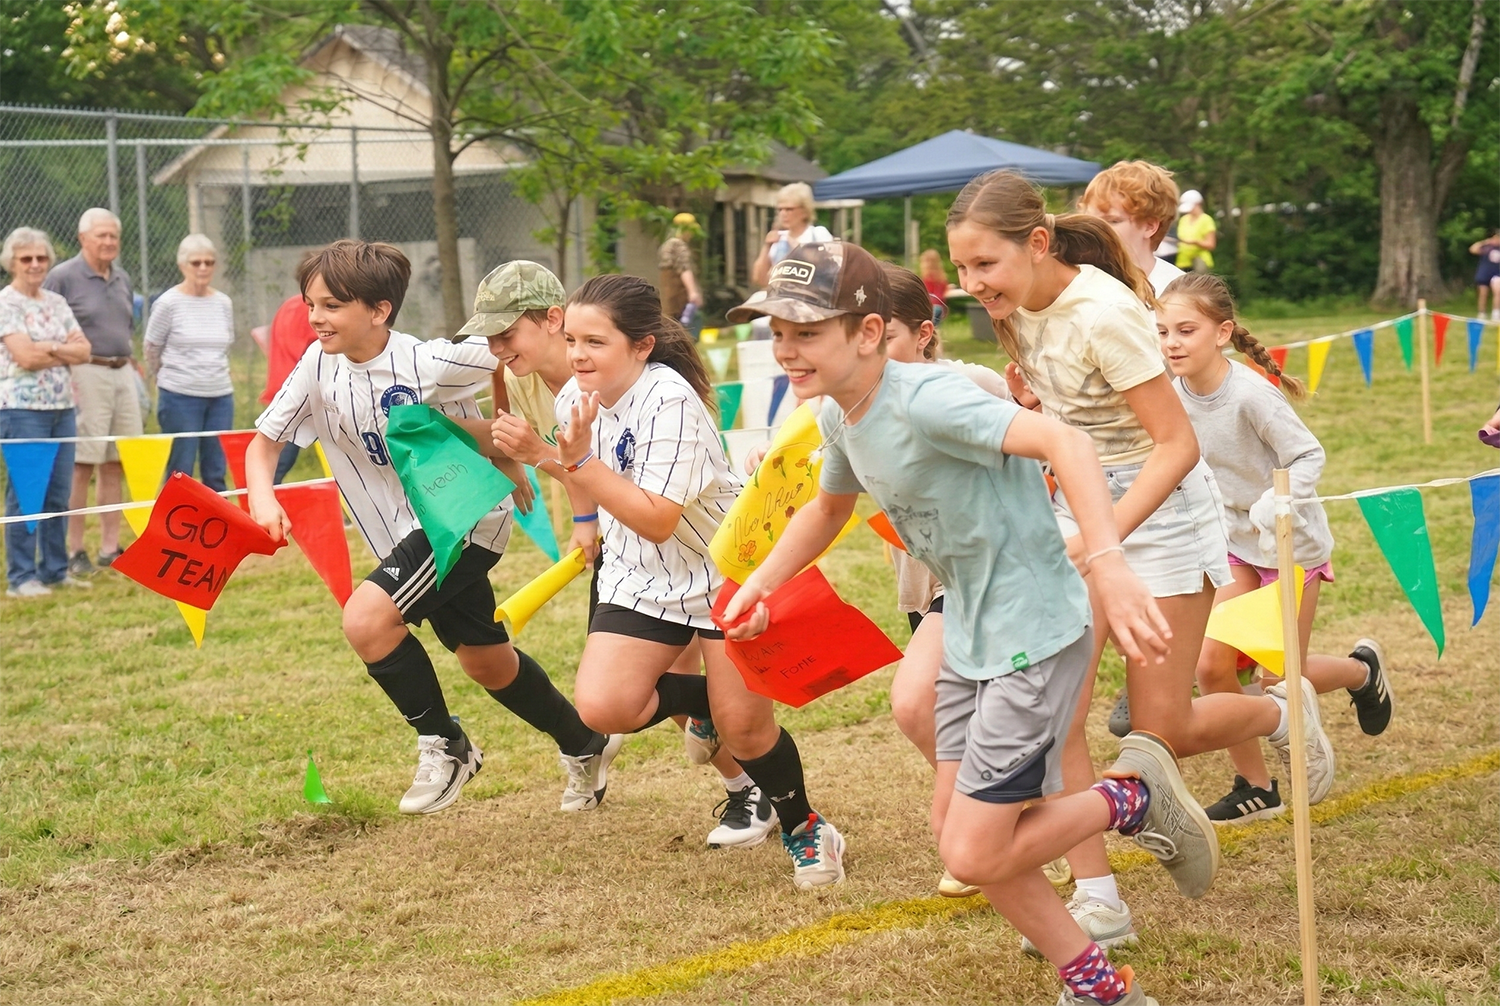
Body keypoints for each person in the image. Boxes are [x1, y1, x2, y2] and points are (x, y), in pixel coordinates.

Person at [721, 239, 1217, 1006]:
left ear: (868, 332)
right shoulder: (843, 416)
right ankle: (1098, 989)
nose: (786, 349)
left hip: (1036, 630)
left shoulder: (927, 397)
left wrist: (1110, 562)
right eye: (777, 331)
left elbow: (1067, 440)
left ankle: (1134, 795)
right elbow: (827, 507)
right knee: (968, 838)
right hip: (970, 631)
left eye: (806, 331)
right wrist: (760, 584)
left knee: (974, 849)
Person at [946, 170, 1334, 955]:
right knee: (1058, 713)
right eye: (960, 269)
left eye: (984, 264)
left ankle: (1282, 712)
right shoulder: (1015, 309)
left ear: (1039, 244)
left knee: (1168, 727)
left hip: (1155, 517)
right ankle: (1100, 901)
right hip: (1079, 514)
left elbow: (1176, 443)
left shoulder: (1106, 314)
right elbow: (1068, 418)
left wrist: (1104, 538)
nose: (971, 283)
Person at [245, 240, 621, 817]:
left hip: (460, 520)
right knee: (486, 661)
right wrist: (265, 500)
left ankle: (446, 743)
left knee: (367, 620)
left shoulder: (425, 360)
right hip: (397, 533)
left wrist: (514, 451)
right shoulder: (316, 367)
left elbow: (511, 350)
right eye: (309, 303)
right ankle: (584, 741)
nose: (316, 316)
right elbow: (264, 443)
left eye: (331, 305)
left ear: (379, 311)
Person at [543, 273, 843, 888]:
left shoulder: (669, 398)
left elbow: (657, 517)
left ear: (642, 345)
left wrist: (577, 463)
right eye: (572, 339)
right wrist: (552, 464)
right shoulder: (573, 395)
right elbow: (591, 480)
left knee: (748, 731)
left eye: (595, 342)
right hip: (638, 575)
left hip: (721, 570)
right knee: (607, 706)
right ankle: (708, 709)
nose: (577, 355)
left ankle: (805, 828)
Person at [475, 260, 777, 851]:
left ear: (550, 320)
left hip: (709, 556)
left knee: (714, 701)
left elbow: (602, 474)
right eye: (489, 336)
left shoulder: (656, 390)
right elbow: (586, 464)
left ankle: (763, 791)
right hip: (636, 558)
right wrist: (585, 520)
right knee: (629, 696)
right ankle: (738, 772)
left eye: (507, 333)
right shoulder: (532, 380)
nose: (496, 347)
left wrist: (542, 456)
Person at [1159, 273, 1393, 823]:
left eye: (1186, 330)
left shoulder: (1250, 395)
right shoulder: (1172, 395)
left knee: (1277, 678)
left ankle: (1361, 673)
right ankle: (1255, 786)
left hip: (1290, 544)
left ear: (1223, 333)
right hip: (1235, 543)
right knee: (1212, 667)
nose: (1172, 342)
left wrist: (1276, 502)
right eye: (1164, 330)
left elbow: (1309, 456)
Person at [879, 263, 1011, 899]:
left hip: (980, 579)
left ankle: (996, 824)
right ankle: (1002, 820)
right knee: (942, 715)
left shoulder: (972, 384)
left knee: (920, 702)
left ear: (925, 334)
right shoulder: (849, 405)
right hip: (921, 584)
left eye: (886, 337)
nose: (869, 352)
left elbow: (1043, 449)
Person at [44, 207, 139, 576]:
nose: (108, 242)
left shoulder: (122, 277)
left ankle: (110, 548)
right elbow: (47, 323)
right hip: (84, 373)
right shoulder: (63, 276)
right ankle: (75, 550)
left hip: (122, 371)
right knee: (81, 464)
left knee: (117, 461)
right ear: (83, 238)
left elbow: (127, 325)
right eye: (101, 235)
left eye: (113, 235)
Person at [0, 227, 93, 598]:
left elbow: (85, 351)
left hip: (62, 407)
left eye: (41, 258)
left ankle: (54, 569)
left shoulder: (56, 302)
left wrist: (47, 347)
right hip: (22, 410)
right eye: (27, 259)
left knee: (58, 492)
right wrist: (60, 348)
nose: (35, 264)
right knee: (26, 491)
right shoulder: (6, 303)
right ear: (12, 263)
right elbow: (23, 356)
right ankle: (21, 577)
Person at [144, 234, 236, 491]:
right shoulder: (168, 303)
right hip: (180, 396)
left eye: (209, 262)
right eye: (196, 263)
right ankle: (175, 526)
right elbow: (152, 347)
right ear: (183, 265)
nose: (203, 268)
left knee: (216, 469)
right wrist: (172, 376)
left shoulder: (223, 303)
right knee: (180, 469)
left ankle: (218, 526)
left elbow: (227, 343)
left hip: (220, 396)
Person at [1079, 161, 1183, 297]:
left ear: (1150, 226)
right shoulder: (1076, 281)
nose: (1094, 228)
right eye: (1089, 219)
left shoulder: (1178, 292)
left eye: (1112, 221)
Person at [260, 294, 320, 484]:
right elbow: (316, 351)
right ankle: (259, 509)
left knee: (274, 462)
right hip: (301, 393)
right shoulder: (312, 309)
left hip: (286, 388)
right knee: (276, 464)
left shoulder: (292, 304)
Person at [750, 183, 834, 287]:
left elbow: (828, 271)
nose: (783, 214)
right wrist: (767, 246)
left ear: (804, 211)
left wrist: (796, 247)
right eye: (780, 209)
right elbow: (760, 280)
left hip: (812, 296)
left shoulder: (819, 234)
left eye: (789, 209)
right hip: (780, 295)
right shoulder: (778, 239)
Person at [657, 213, 704, 331]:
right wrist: (693, 292)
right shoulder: (678, 245)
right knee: (682, 325)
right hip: (678, 296)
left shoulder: (667, 243)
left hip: (668, 296)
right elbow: (684, 269)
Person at [1173, 189, 1216, 273]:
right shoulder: (1184, 219)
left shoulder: (1206, 220)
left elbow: (1211, 244)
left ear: (1198, 204)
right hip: (1182, 261)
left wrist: (1194, 242)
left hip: (1199, 260)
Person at [1468, 229, 1500, 320]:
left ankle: (1496, 313)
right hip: (1484, 273)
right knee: (1483, 293)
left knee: (1498, 291)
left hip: (1497, 273)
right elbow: (1472, 249)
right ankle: (1482, 313)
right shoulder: (1486, 247)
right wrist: (1485, 242)